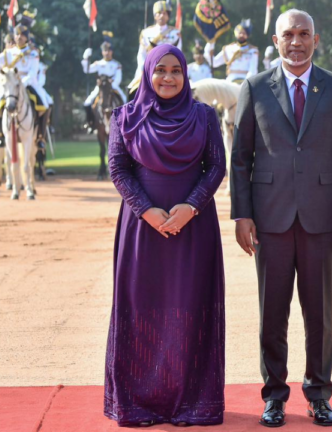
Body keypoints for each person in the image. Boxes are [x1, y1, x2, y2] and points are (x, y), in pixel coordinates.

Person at [231, 9, 332, 428]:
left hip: (322, 219)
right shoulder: (253, 88)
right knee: (272, 314)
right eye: (288, 34)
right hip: (269, 219)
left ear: (316, 39)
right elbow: (240, 160)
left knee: (318, 314)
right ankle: (274, 397)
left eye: (304, 34)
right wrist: (242, 214)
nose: (296, 41)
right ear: (275, 40)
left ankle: (319, 394)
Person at [104, 45, 226, 427]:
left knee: (191, 307)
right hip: (142, 230)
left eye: (176, 71)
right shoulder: (125, 117)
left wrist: (191, 206)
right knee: (141, 308)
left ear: (186, 75)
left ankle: (193, 402)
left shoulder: (205, 117)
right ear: (147, 74)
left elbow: (216, 167)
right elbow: (118, 168)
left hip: (195, 227)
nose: (168, 78)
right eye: (161, 71)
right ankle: (139, 401)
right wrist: (146, 210)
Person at [128, 1, 181, 95]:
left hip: (170, 68)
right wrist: (142, 68)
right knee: (131, 89)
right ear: (155, 16)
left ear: (168, 16)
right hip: (149, 67)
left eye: (164, 13)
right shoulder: (146, 33)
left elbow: (179, 53)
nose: (162, 16)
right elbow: (141, 54)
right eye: (159, 13)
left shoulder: (175, 33)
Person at [81, 32, 126, 131]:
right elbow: (86, 70)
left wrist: (110, 84)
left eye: (109, 51)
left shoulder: (116, 64)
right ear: (102, 52)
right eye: (105, 51)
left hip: (113, 86)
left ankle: (126, 123)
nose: (107, 53)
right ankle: (90, 123)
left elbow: (118, 78)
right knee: (87, 103)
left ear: (112, 52)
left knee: (125, 100)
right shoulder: (98, 63)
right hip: (100, 87)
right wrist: (85, 58)